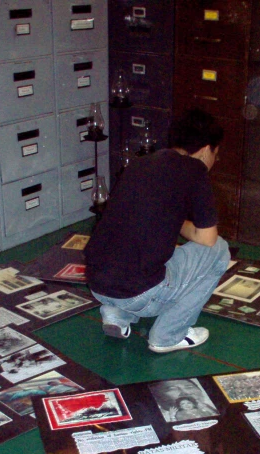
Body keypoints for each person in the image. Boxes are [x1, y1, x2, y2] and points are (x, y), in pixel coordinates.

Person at [85, 108, 230, 353]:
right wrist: (178, 222)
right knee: (220, 251)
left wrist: (172, 220)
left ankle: (116, 317)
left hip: (97, 283)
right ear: (206, 150)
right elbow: (208, 238)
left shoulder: (142, 163)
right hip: (140, 295)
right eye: (216, 153)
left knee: (135, 252)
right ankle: (168, 335)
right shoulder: (195, 171)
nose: (214, 160)